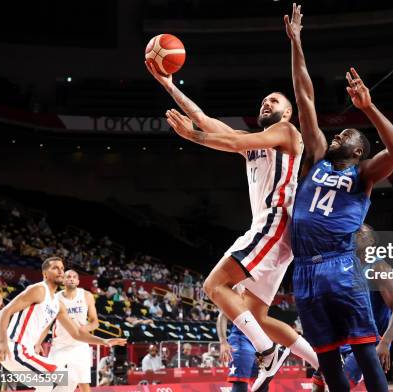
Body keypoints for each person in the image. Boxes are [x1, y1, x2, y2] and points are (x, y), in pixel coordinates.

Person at [146, 39, 319, 389]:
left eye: (274, 100)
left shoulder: (287, 132)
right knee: (257, 315)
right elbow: (205, 119)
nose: (266, 102)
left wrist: (192, 137)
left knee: (214, 285)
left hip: (274, 224)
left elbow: (231, 142)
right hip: (279, 237)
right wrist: (168, 85)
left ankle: (267, 351)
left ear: (286, 113)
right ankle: (326, 365)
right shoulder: (258, 146)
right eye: (263, 100)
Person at [285, 4, 393, 391]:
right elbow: (304, 97)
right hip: (303, 269)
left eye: (347, 136)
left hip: (340, 266)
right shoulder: (318, 156)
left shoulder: (363, 173)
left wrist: (368, 108)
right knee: (326, 358)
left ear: (359, 151)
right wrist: (297, 43)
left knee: (365, 351)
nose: (338, 135)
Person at [0, 257, 126, 392]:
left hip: (26, 353)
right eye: (55, 268)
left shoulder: (57, 304)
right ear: (45, 274)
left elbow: (77, 333)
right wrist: (4, 342)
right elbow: (5, 312)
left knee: (68, 381)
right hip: (15, 350)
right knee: (58, 381)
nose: (60, 271)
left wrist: (105, 341)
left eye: (62, 268)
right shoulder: (39, 289)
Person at [313, 224, 393, 390]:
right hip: (344, 341)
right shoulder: (346, 268)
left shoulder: (379, 267)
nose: (354, 234)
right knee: (317, 384)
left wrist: (385, 342)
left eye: (359, 232)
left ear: (371, 240)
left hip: (371, 341)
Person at [33, 269, 99, 392]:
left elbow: (95, 322)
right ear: (63, 280)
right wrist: (38, 343)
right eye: (68, 276)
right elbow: (48, 324)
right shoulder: (55, 298)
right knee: (50, 380)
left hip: (80, 345)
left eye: (74, 277)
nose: (71, 278)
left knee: (83, 383)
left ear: (78, 281)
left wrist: (85, 328)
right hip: (59, 345)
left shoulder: (86, 296)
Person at [218, 302, 272, 392]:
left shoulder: (265, 293)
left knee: (261, 385)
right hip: (242, 342)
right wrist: (223, 342)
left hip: (260, 344)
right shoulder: (239, 289)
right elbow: (223, 315)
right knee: (241, 384)